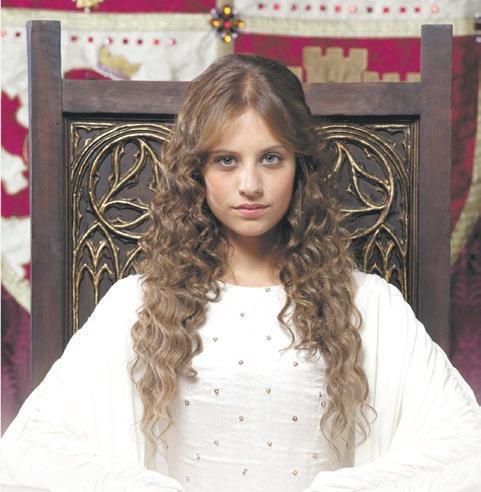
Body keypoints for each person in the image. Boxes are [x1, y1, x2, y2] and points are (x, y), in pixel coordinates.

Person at [1, 54, 481, 492]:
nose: (250, 185)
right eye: (226, 161)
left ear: (300, 167)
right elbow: (31, 451)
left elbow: (465, 448)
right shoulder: (138, 305)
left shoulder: (368, 305)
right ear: (197, 171)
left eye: (271, 158)